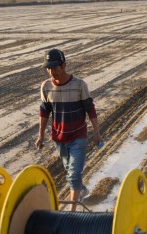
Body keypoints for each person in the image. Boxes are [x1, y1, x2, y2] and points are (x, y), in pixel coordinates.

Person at [35, 48, 102, 211]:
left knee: (73, 174)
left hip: (78, 136)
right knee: (70, 171)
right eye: (48, 68)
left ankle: (71, 212)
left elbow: (90, 109)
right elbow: (44, 112)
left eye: (54, 67)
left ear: (64, 65)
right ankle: (81, 190)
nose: (51, 71)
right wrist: (41, 136)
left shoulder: (79, 85)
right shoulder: (46, 86)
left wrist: (97, 133)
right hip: (59, 138)